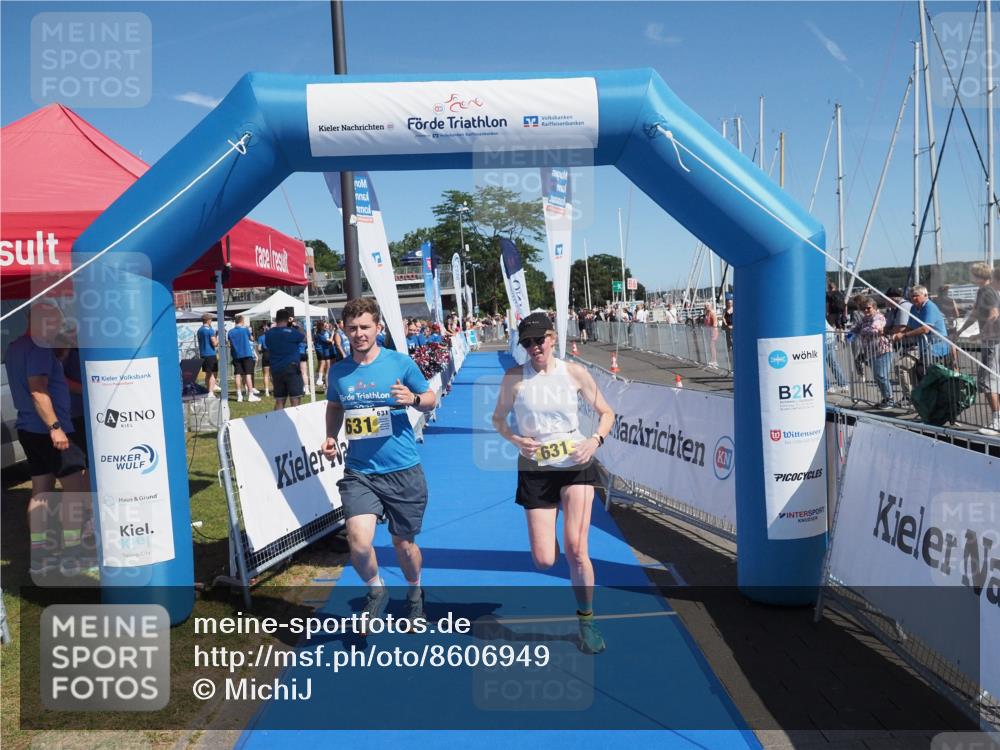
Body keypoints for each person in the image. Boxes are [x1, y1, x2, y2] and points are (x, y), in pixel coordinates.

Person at [491, 312, 616, 655]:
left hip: (576, 465)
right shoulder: (515, 377)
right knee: (545, 560)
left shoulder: (574, 372)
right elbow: (498, 419)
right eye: (527, 342)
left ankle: (587, 622)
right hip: (536, 469)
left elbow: (607, 413)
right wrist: (516, 439)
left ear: (553, 338)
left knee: (577, 549)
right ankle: (554, 544)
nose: (534, 347)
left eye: (539, 340)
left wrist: (594, 441)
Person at [320, 297, 437, 628]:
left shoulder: (399, 363)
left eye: (365, 327)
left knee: (404, 544)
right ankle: (376, 590)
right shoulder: (340, 371)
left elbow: (430, 399)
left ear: (378, 329)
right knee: (358, 542)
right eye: (352, 328)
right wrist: (331, 436)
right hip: (360, 473)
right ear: (343, 330)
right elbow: (334, 406)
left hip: (402, 470)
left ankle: (415, 594)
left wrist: (413, 399)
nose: (358, 334)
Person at [6, 302, 91, 576]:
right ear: (39, 320)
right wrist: (55, 427)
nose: (58, 325)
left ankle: (41, 556)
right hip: (51, 431)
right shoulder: (38, 347)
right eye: (54, 320)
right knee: (74, 492)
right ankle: (72, 555)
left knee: (41, 491)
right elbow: (38, 391)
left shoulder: (16, 346)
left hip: (29, 429)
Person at [956, 263, 1000, 434]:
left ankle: (997, 420)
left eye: (971, 274)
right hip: (993, 340)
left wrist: (981, 334)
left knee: (988, 380)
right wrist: (960, 331)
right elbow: (975, 314)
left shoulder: (986, 291)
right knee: (992, 379)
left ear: (977, 275)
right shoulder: (989, 290)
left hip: (992, 341)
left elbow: (994, 314)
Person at [891, 285, 952, 386]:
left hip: (937, 346)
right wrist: (898, 334)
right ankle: (920, 396)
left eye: (916, 296)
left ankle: (929, 396)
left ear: (925, 295)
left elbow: (925, 329)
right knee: (918, 372)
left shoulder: (930, 307)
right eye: (911, 296)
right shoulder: (914, 308)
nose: (913, 298)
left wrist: (904, 335)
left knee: (922, 371)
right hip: (924, 347)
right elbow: (910, 326)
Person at [849, 296, 895, 408]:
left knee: (881, 375)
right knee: (877, 377)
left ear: (874, 308)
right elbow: (856, 328)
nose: (865, 311)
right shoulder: (865, 319)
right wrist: (849, 335)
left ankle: (890, 399)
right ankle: (885, 398)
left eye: (868, 308)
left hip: (883, 350)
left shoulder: (879, 317)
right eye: (864, 309)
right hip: (871, 352)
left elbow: (875, 328)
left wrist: (862, 331)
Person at [264, 309, 305, 410]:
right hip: (292, 368)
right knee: (295, 399)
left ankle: (277, 423)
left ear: (276, 319)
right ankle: (295, 422)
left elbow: (268, 345)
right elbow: (305, 337)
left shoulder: (269, 334)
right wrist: (295, 325)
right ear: (288, 319)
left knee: (280, 399)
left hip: (276, 369)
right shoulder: (292, 331)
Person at [197, 313, 220, 395]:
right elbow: (214, 343)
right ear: (208, 320)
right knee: (213, 374)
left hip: (203, 354)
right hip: (210, 354)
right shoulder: (210, 330)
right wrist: (218, 340)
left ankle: (208, 390)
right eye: (211, 320)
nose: (211, 321)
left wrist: (215, 335)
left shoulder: (199, 330)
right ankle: (211, 392)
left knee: (208, 374)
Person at [256, 322, 271, 397]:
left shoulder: (261, 337)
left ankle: (267, 391)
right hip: (273, 355)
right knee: (274, 374)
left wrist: (261, 351)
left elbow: (259, 348)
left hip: (265, 355)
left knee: (266, 374)